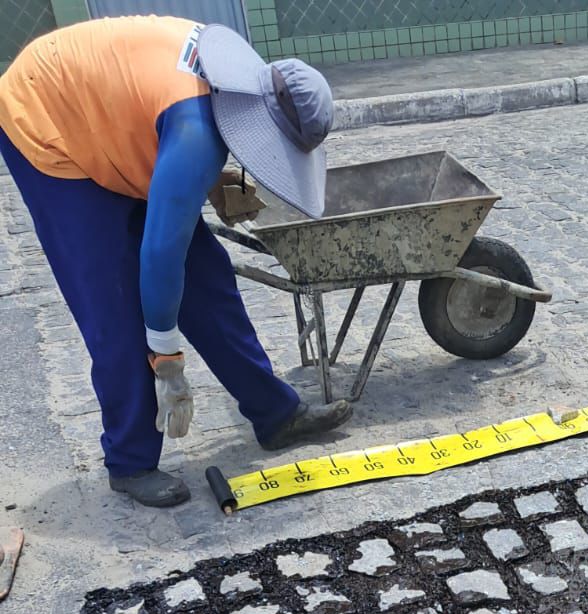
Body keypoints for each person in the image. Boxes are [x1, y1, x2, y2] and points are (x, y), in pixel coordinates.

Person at [0, 18, 353, 508]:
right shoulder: (194, 131)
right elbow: (160, 255)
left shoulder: (238, 86)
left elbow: (159, 124)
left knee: (209, 279)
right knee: (114, 304)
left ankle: (275, 414)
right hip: (47, 117)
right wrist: (166, 359)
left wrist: (207, 182)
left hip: (112, 106)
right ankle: (130, 460)